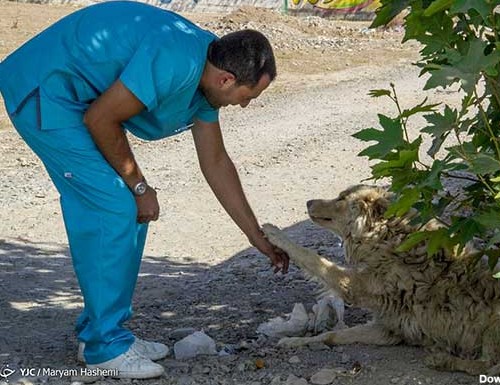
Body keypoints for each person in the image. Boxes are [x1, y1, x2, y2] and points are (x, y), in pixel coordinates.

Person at [0, 1, 289, 379]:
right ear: (227, 80)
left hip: (80, 99)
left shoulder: (208, 72)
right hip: (46, 90)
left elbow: (216, 161)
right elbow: (101, 118)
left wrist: (256, 236)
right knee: (114, 206)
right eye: (249, 96)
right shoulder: (177, 59)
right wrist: (139, 186)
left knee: (128, 210)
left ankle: (103, 334)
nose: (245, 105)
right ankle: (105, 348)